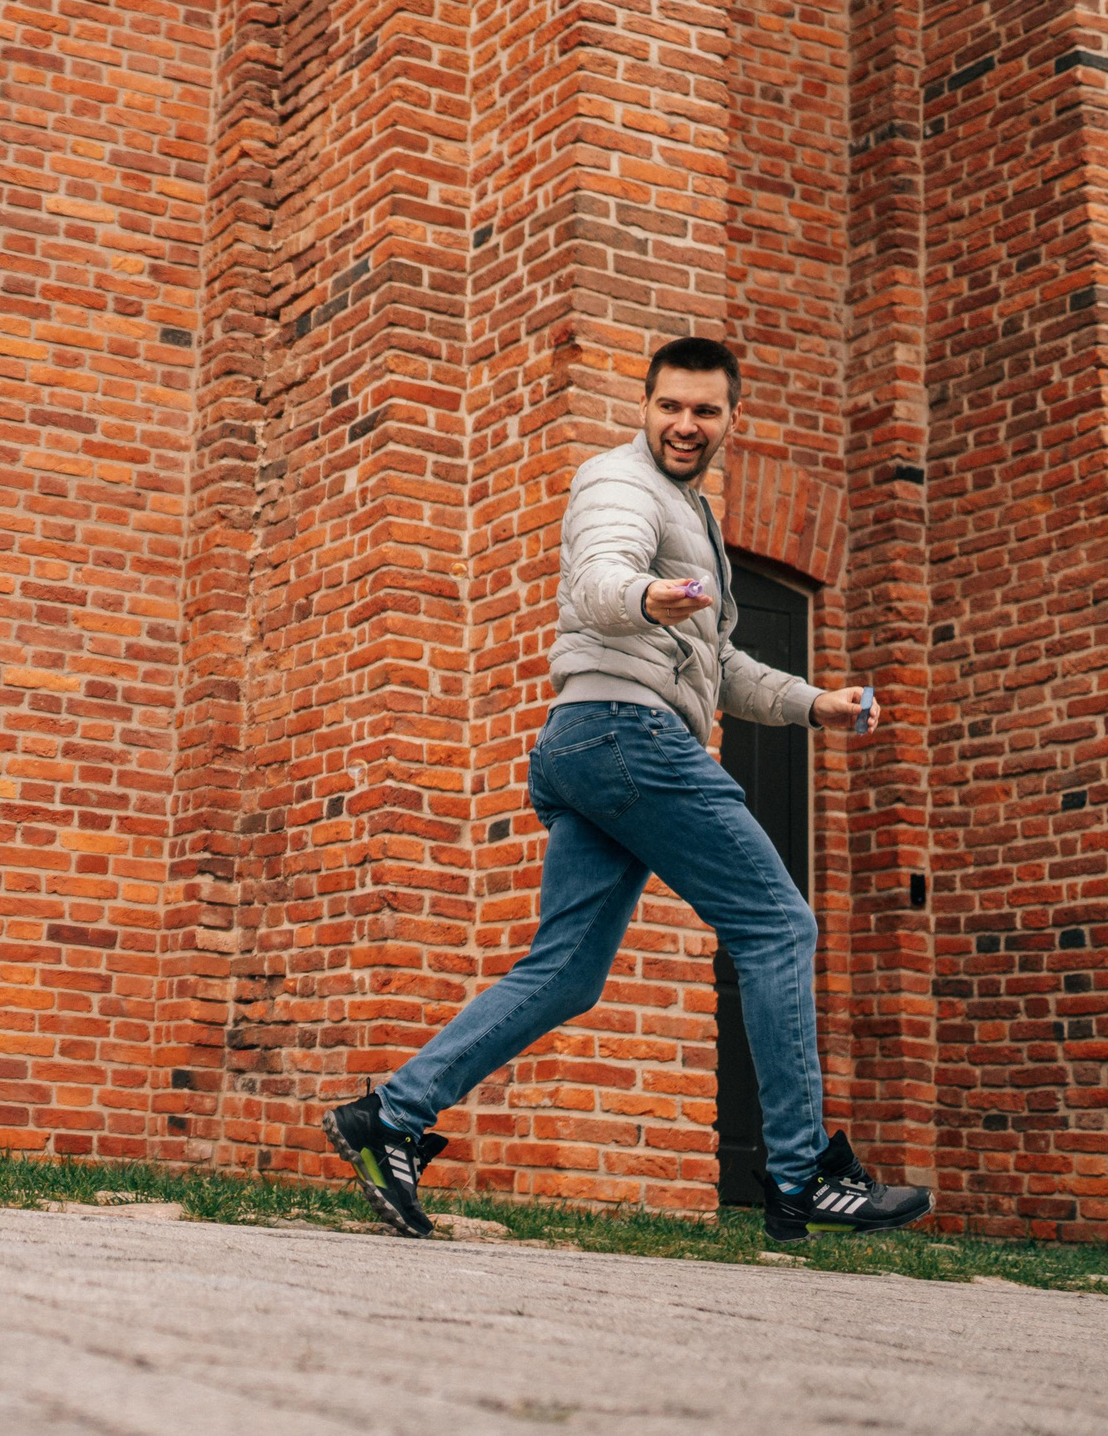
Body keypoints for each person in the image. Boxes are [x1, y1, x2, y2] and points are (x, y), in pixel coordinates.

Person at [324, 337, 930, 1244]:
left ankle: (391, 1115)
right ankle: (803, 1174)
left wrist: (815, 706)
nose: (685, 425)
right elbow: (600, 577)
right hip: (627, 737)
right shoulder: (620, 483)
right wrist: (644, 595)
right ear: (645, 407)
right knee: (779, 924)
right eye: (670, 407)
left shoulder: (691, 511)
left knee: (565, 971)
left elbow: (719, 662)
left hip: (585, 744)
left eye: (705, 411)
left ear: (731, 417)